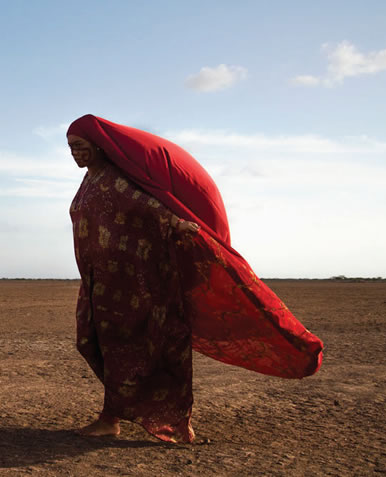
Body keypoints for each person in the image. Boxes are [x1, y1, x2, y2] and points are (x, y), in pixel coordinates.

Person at [66, 114, 324, 443]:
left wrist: (177, 223)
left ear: (98, 145)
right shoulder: (89, 182)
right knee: (92, 342)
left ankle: (133, 419)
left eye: (80, 146)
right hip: (99, 284)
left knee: (131, 349)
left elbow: (147, 207)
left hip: (132, 285)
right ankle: (117, 413)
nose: (74, 153)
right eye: (70, 148)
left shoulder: (115, 180)